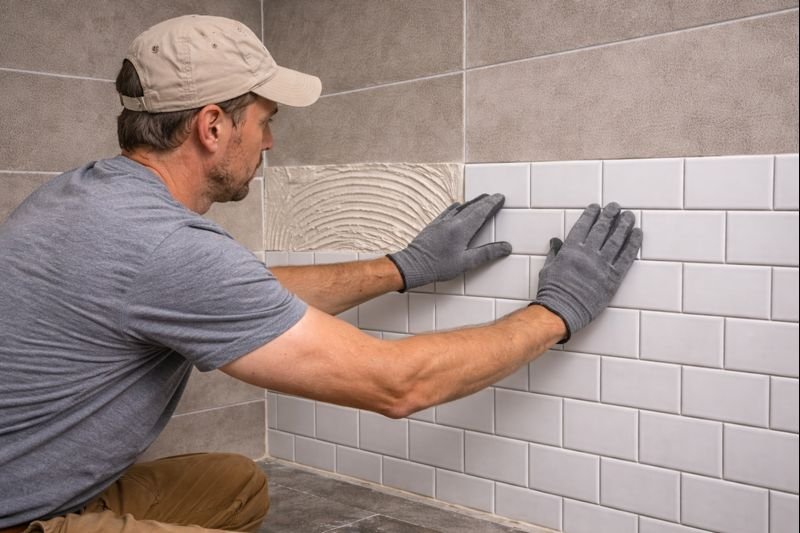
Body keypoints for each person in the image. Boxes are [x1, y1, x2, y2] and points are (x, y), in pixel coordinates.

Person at [0, 14, 642, 533]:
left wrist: (401, 268)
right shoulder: (158, 243)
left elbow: (241, 299)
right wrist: (557, 310)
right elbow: (397, 385)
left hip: (33, 487)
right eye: (265, 121)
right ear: (213, 125)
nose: (270, 143)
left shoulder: (89, 196)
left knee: (237, 488)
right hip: (17, 517)